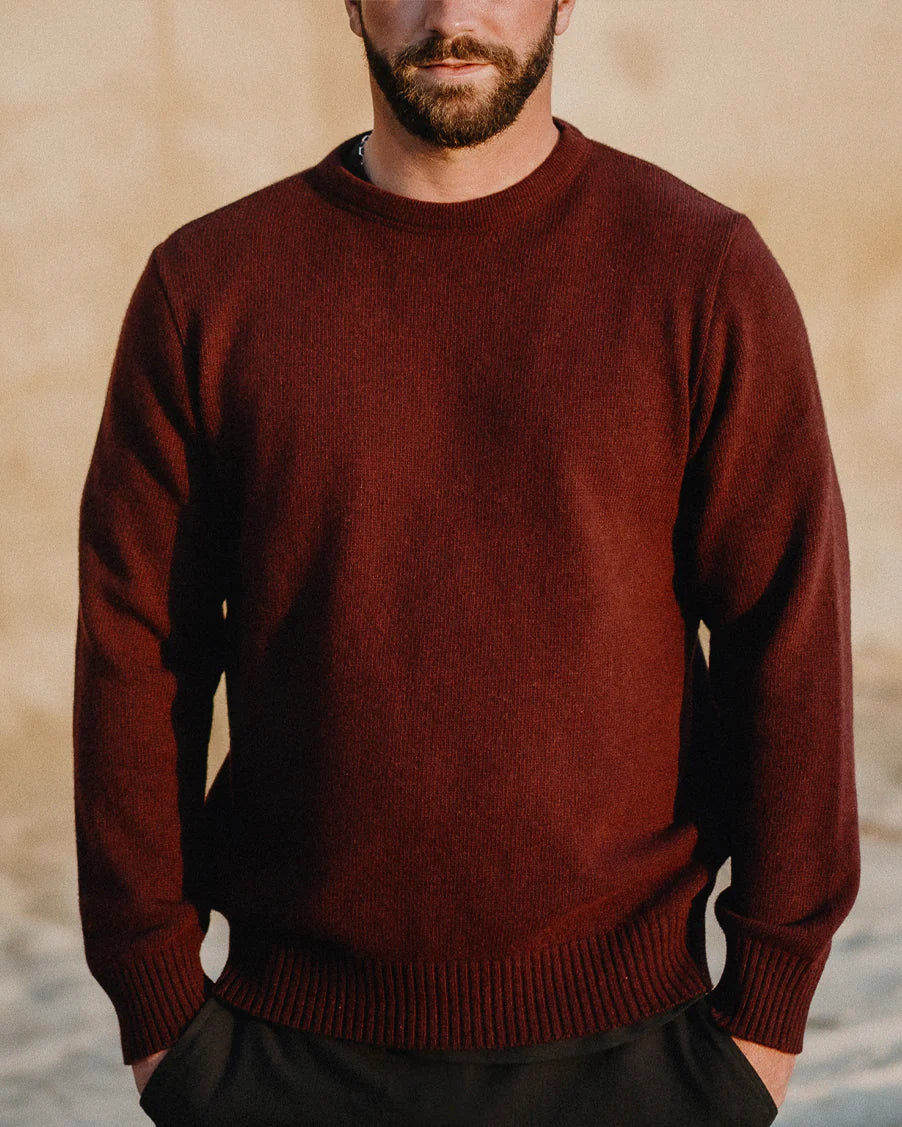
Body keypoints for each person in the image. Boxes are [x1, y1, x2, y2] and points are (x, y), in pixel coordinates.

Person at [73, 1, 860, 1124]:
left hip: (641, 1057)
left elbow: (784, 632)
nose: (449, 16)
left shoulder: (699, 272)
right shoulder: (208, 289)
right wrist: (159, 1007)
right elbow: (137, 647)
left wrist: (759, 1019)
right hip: (280, 1057)